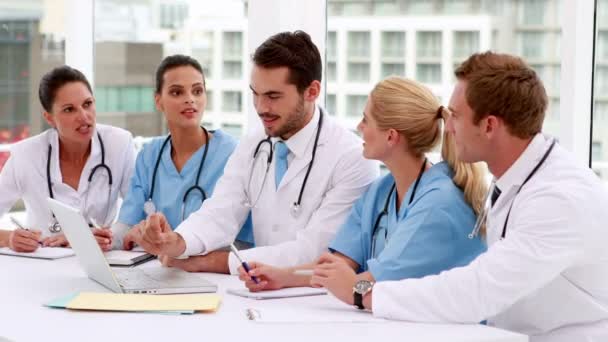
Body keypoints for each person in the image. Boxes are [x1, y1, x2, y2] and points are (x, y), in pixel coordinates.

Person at [311, 52, 608, 342]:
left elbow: (477, 290)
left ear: (489, 125)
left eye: (455, 115)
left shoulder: (558, 200)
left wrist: (361, 292)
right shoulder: (517, 179)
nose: (447, 126)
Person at [132, 30, 379, 274]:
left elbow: (315, 252)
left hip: (320, 300)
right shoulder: (254, 143)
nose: (261, 108)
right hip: (260, 292)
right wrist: (177, 241)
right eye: (255, 94)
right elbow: (221, 211)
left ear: (312, 91)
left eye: (273, 96)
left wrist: (214, 262)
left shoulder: (353, 158)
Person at [237, 76, 487, 292]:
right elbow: (341, 263)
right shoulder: (380, 192)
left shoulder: (437, 202)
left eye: (366, 120)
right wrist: (282, 276)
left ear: (391, 136)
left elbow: (373, 284)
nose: (359, 128)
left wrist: (352, 288)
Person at [112, 55, 253, 250]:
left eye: (197, 91)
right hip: (157, 269)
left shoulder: (233, 154)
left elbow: (243, 242)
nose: (190, 99)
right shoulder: (150, 154)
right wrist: (99, 240)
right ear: (158, 101)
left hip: (210, 272)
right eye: (177, 92)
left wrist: (178, 247)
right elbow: (127, 225)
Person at [0, 65, 135, 252]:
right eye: (69, 109)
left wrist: (104, 237)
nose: (84, 116)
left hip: (102, 262)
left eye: (87, 104)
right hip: (42, 263)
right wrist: (9, 238)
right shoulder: (26, 155)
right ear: (50, 118)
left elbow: (138, 214)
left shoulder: (119, 143)